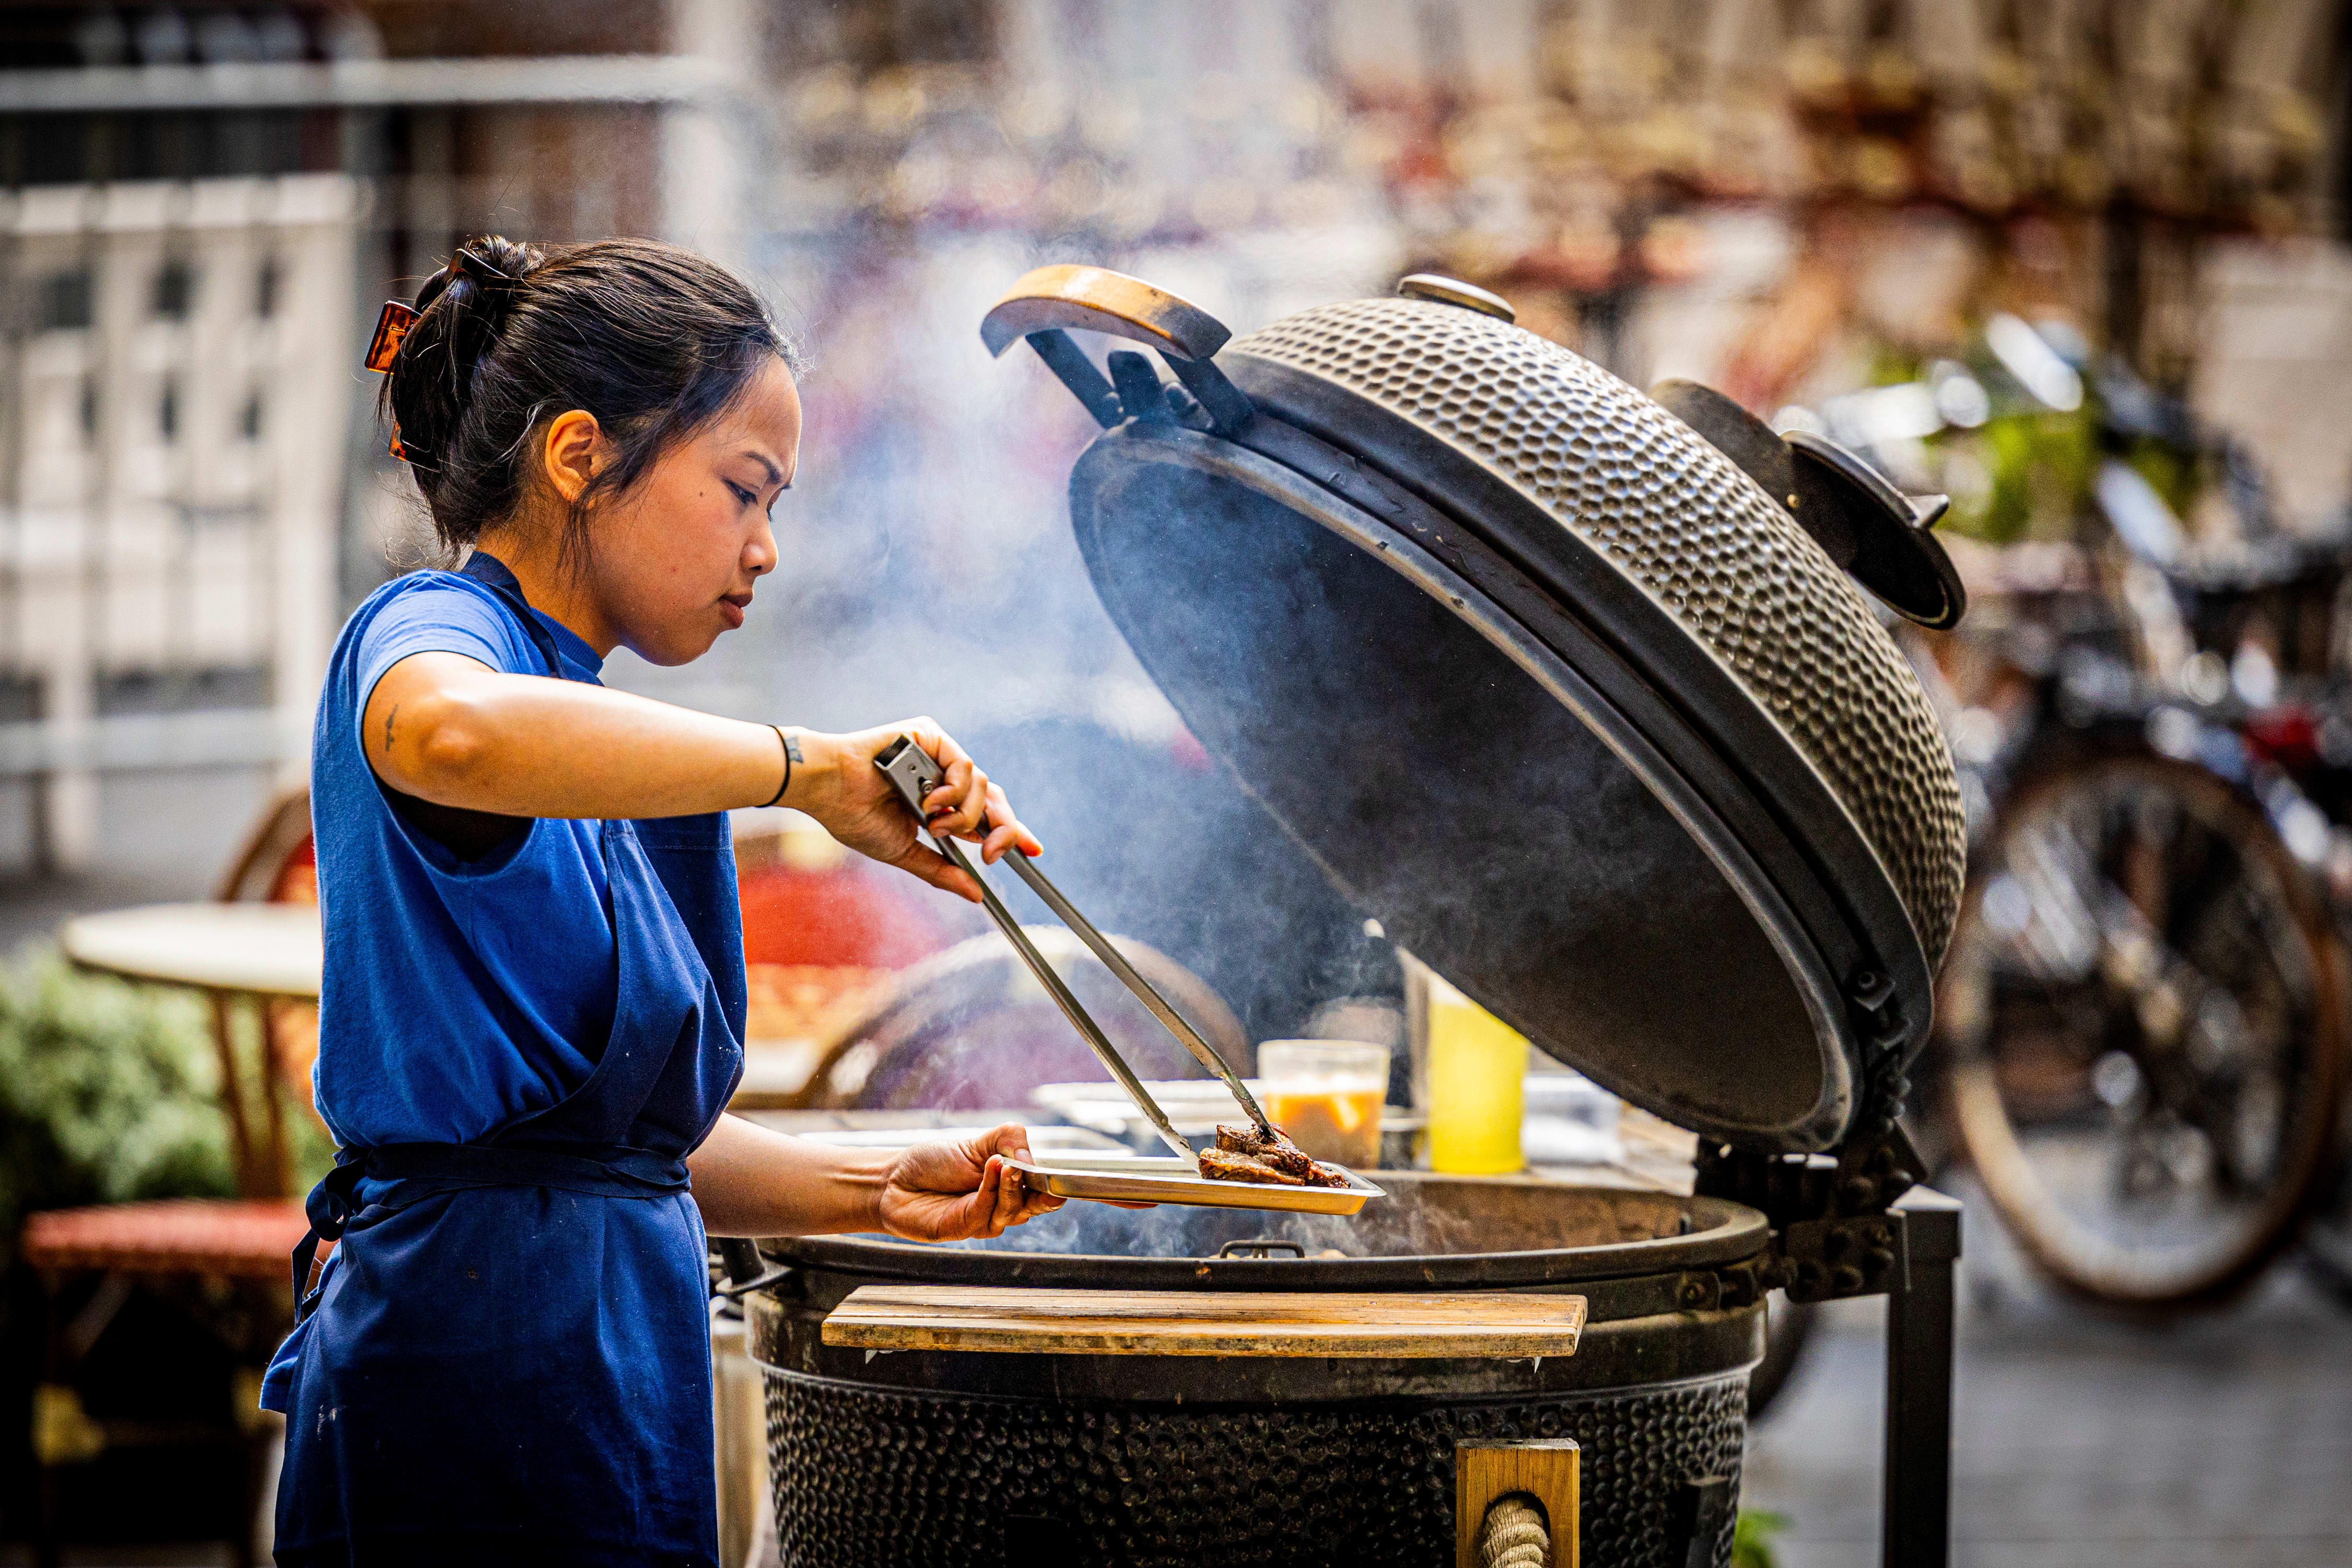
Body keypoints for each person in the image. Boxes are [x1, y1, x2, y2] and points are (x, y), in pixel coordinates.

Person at [260, 236, 1065, 1566]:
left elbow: (613, 1148)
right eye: (743, 491)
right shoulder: (436, 631)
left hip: (613, 1377)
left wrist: (875, 1187)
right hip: (464, 1374)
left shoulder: (600, 739)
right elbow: (447, 732)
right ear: (579, 456)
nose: (765, 550)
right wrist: (810, 771)